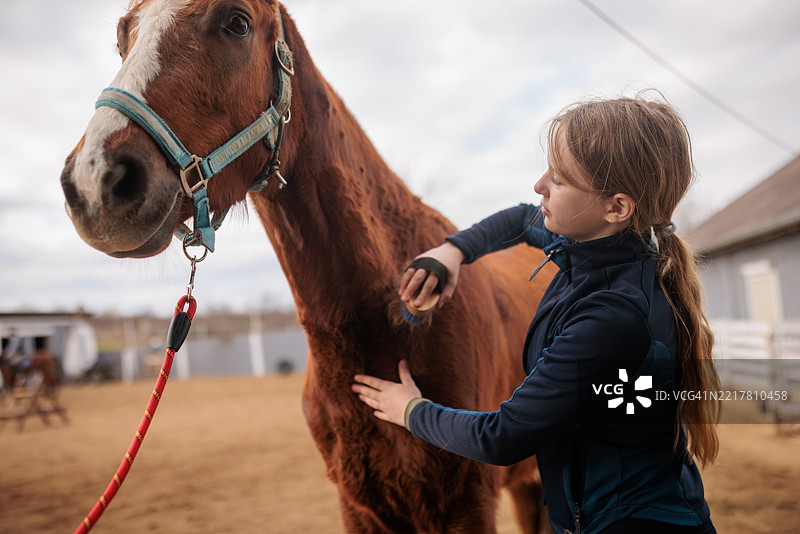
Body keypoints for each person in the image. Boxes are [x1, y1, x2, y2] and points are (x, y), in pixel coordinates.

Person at [352, 92, 720, 534]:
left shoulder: (612, 315)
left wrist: (410, 409)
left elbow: (504, 436)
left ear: (616, 207)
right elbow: (519, 219)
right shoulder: (593, 251)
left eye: (560, 180)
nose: (539, 184)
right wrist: (452, 252)